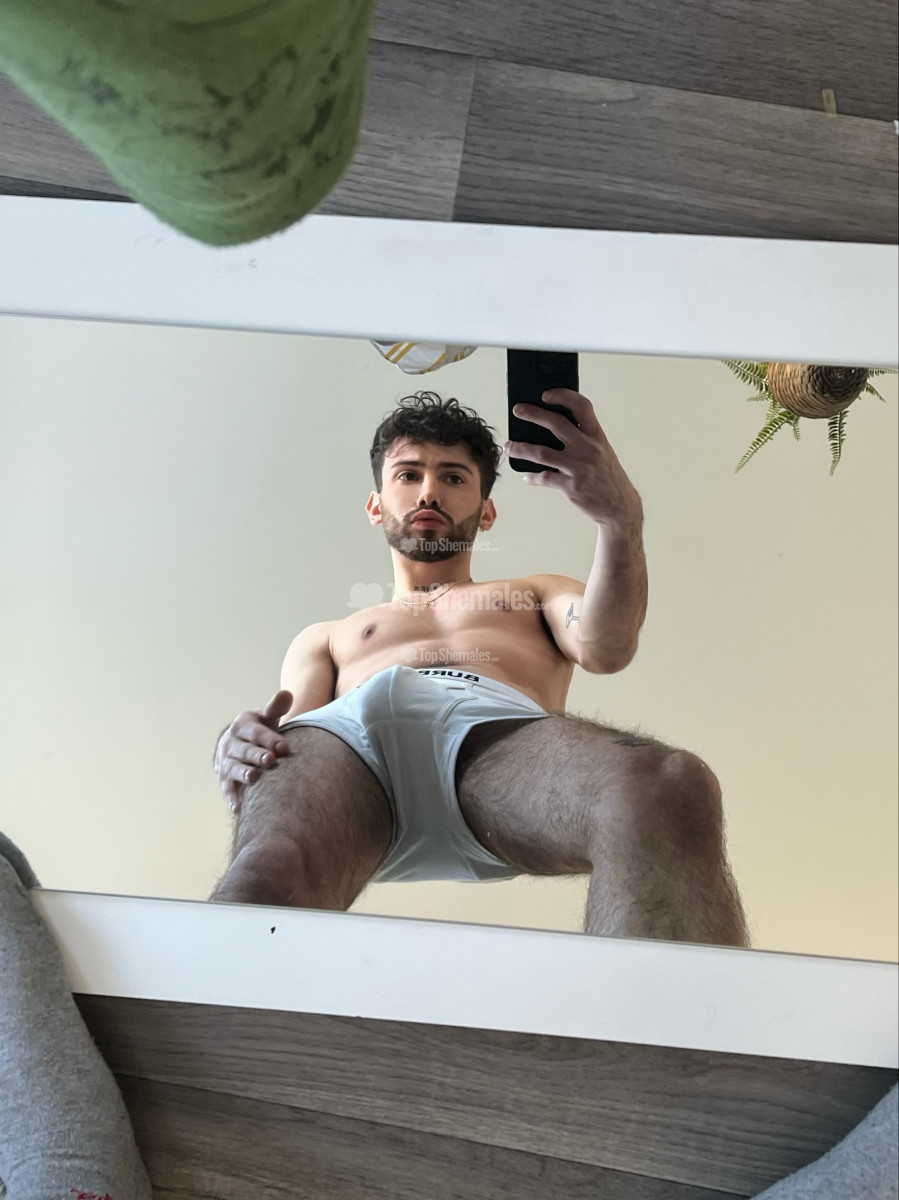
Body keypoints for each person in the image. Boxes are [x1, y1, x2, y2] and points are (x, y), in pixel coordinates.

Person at [210, 388, 750, 947]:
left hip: (500, 746)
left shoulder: (534, 592)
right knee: (265, 873)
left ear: (486, 512)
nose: (429, 491)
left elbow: (606, 646)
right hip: (352, 750)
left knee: (667, 786)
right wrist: (238, 741)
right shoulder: (326, 635)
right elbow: (284, 738)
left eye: (453, 477)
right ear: (375, 506)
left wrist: (621, 520)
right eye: (408, 474)